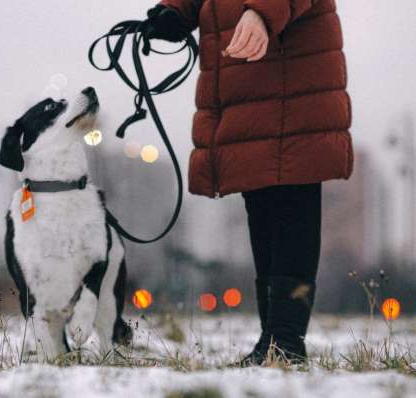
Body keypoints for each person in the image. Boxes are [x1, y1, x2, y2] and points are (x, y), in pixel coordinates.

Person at [143, 0, 353, 365]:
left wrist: (261, 10)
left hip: (293, 66)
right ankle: (273, 341)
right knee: (261, 202)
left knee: (292, 199)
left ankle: (285, 342)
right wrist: (174, 11)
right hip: (245, 77)